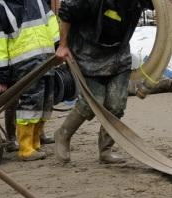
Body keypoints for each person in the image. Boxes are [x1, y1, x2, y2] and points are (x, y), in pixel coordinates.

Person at [54, 0, 154, 164]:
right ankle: (63, 135)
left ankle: (105, 150)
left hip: (118, 55)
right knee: (92, 103)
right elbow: (66, 12)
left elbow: (161, 6)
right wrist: (63, 45)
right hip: (88, 54)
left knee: (116, 105)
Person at [0, 0, 59, 161]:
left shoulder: (38, 1)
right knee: (30, 104)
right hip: (22, 64)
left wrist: (59, 47)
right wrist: (1, 74)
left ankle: (35, 144)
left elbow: (52, 24)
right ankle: (26, 148)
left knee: (44, 103)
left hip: (46, 59)